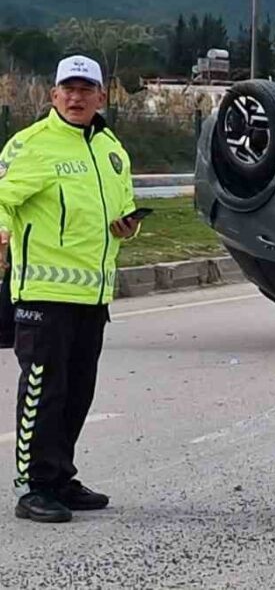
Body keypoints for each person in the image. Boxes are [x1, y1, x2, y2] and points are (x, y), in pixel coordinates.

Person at [2, 55, 140, 523]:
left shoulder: (111, 149)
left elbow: (123, 207)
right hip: (43, 292)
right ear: (53, 95)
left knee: (78, 392)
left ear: (102, 96)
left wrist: (128, 227)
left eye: (86, 89)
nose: (77, 97)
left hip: (93, 294)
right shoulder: (32, 145)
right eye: (69, 89)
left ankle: (60, 477)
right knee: (44, 391)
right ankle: (34, 486)